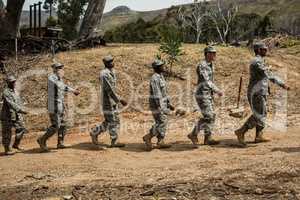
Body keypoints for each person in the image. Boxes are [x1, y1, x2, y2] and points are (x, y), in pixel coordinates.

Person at [235, 42, 290, 147]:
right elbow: (269, 75)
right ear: (258, 50)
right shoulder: (256, 62)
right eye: (264, 49)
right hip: (257, 93)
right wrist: (282, 84)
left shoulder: (261, 61)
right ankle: (241, 131)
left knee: (262, 112)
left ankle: (259, 136)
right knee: (259, 114)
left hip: (261, 91)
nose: (266, 50)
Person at [37, 63, 80, 152]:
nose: (62, 70)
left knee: (63, 124)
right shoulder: (52, 78)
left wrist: (73, 91)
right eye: (60, 68)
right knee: (56, 125)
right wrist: (73, 90)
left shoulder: (59, 78)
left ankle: (60, 143)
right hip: (53, 105)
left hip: (60, 104)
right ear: (55, 69)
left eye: (62, 68)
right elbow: (62, 87)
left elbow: (62, 88)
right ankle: (42, 140)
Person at [187, 46, 223, 146]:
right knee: (209, 116)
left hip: (208, 94)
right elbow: (206, 81)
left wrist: (213, 91)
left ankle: (208, 138)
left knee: (212, 116)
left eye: (215, 53)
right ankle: (193, 134)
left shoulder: (211, 64)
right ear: (207, 54)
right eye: (212, 53)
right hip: (202, 94)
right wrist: (217, 90)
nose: (214, 55)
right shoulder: (202, 65)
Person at [90, 55, 127, 148]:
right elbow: (109, 89)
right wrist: (120, 99)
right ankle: (114, 141)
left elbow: (114, 87)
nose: (112, 63)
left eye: (112, 61)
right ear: (105, 63)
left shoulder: (112, 72)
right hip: (107, 101)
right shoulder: (104, 74)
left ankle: (94, 132)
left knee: (113, 120)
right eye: (110, 62)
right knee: (112, 121)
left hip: (113, 101)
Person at [143, 59, 175, 151]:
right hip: (157, 104)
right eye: (162, 66)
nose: (163, 67)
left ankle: (161, 141)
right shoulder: (154, 78)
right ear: (157, 68)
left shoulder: (161, 76)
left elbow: (164, 92)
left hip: (163, 103)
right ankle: (148, 137)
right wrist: (159, 106)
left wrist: (169, 104)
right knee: (162, 122)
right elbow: (157, 94)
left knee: (162, 122)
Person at [1, 75, 28, 155]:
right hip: (7, 115)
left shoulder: (15, 91)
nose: (14, 83)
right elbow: (11, 104)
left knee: (22, 128)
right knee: (7, 132)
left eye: (14, 81)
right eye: (12, 82)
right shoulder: (6, 92)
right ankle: (7, 149)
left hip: (16, 115)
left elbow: (18, 102)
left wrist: (24, 107)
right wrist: (20, 110)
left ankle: (16, 145)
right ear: (8, 83)